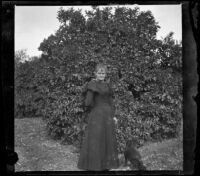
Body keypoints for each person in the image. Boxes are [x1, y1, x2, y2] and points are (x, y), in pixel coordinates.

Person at [77, 63, 119, 171]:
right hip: (98, 115)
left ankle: (105, 165)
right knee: (99, 139)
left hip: (106, 115)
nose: (101, 74)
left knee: (104, 138)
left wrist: (114, 116)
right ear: (95, 73)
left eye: (103, 73)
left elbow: (110, 101)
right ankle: (98, 165)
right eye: (99, 73)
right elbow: (88, 102)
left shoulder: (105, 85)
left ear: (105, 74)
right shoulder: (93, 84)